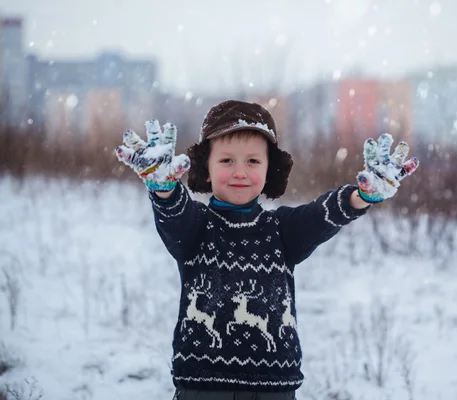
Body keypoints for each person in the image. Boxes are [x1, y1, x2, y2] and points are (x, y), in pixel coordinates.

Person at [115, 100, 419, 400]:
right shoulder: (196, 227)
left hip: (274, 390)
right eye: (226, 161)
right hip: (202, 388)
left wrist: (361, 196)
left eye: (252, 161)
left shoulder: (282, 229)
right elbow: (175, 215)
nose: (240, 172)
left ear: (268, 169)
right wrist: (164, 189)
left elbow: (319, 215)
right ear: (205, 169)